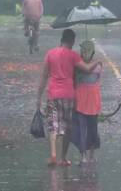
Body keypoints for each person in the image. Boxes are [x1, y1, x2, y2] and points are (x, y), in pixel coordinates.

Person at [36, 29, 102, 167]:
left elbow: (43, 77)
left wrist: (38, 97)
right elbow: (87, 69)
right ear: (72, 41)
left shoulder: (50, 53)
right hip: (68, 95)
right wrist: (97, 61)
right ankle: (63, 158)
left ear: (61, 40)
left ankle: (53, 155)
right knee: (66, 128)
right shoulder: (73, 56)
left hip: (53, 94)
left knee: (52, 126)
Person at [72, 40, 102, 165]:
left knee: (93, 129)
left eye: (87, 51)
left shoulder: (98, 67)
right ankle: (83, 155)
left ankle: (92, 153)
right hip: (80, 100)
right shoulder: (80, 65)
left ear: (92, 52)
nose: (84, 54)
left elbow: (91, 72)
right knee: (81, 129)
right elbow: (83, 72)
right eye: (83, 51)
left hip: (93, 100)